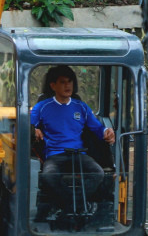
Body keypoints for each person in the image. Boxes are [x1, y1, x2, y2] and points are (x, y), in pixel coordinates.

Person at [30, 65, 116, 226]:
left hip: (79, 154)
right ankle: (74, 205)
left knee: (98, 173)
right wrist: (34, 129)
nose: (67, 86)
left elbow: (98, 128)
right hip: (55, 155)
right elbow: (29, 124)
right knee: (49, 175)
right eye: (63, 82)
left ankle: (68, 206)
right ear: (53, 85)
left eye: (70, 82)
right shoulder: (42, 107)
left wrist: (107, 132)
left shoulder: (81, 107)